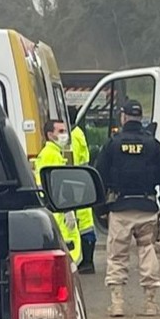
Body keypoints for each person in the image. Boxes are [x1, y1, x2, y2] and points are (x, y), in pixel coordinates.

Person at [94, 100, 160, 317]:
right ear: (140, 118)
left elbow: (98, 176)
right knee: (147, 251)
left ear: (123, 117)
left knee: (117, 255)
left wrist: (100, 207)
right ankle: (150, 303)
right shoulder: (153, 145)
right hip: (147, 207)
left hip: (120, 208)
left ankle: (117, 302)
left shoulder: (112, 144)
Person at [33, 119, 82, 265]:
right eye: (60, 131)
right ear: (50, 135)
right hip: (58, 210)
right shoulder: (50, 154)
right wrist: (67, 209)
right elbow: (54, 184)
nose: (65, 135)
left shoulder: (53, 152)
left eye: (65, 131)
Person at [68, 108, 97, 274]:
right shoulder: (78, 132)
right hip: (81, 179)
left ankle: (86, 261)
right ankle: (87, 260)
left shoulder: (73, 135)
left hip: (74, 181)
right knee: (85, 221)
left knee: (83, 222)